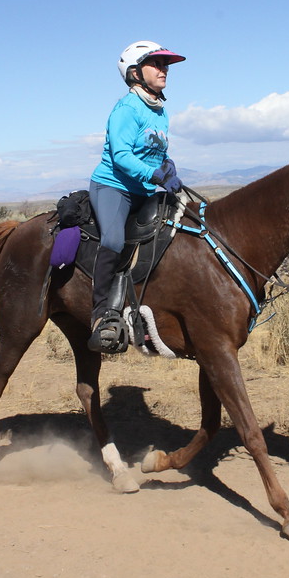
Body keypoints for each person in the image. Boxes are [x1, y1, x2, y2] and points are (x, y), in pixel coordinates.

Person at [88, 40, 185, 353]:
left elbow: (158, 153)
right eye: (156, 64)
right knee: (114, 241)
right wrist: (155, 175)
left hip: (144, 190)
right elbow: (121, 156)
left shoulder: (161, 112)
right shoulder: (127, 109)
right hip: (113, 188)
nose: (164, 69)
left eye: (165, 64)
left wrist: (167, 168)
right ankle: (100, 312)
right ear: (134, 72)